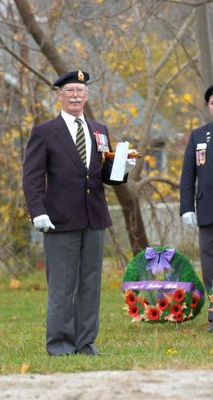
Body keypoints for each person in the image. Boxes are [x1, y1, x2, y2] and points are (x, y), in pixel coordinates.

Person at [23, 70, 137, 356]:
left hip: (94, 217)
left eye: (80, 91)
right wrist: (38, 211)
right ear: (59, 95)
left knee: (90, 283)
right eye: (70, 91)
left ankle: (85, 343)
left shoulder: (99, 130)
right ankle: (60, 344)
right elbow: (32, 177)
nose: (75, 95)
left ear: (87, 96)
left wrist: (121, 168)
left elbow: (104, 176)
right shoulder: (45, 131)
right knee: (62, 286)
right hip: (59, 219)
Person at [180, 84, 213, 333]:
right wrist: (186, 208)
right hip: (207, 211)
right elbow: (188, 175)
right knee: (210, 264)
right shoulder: (199, 135)